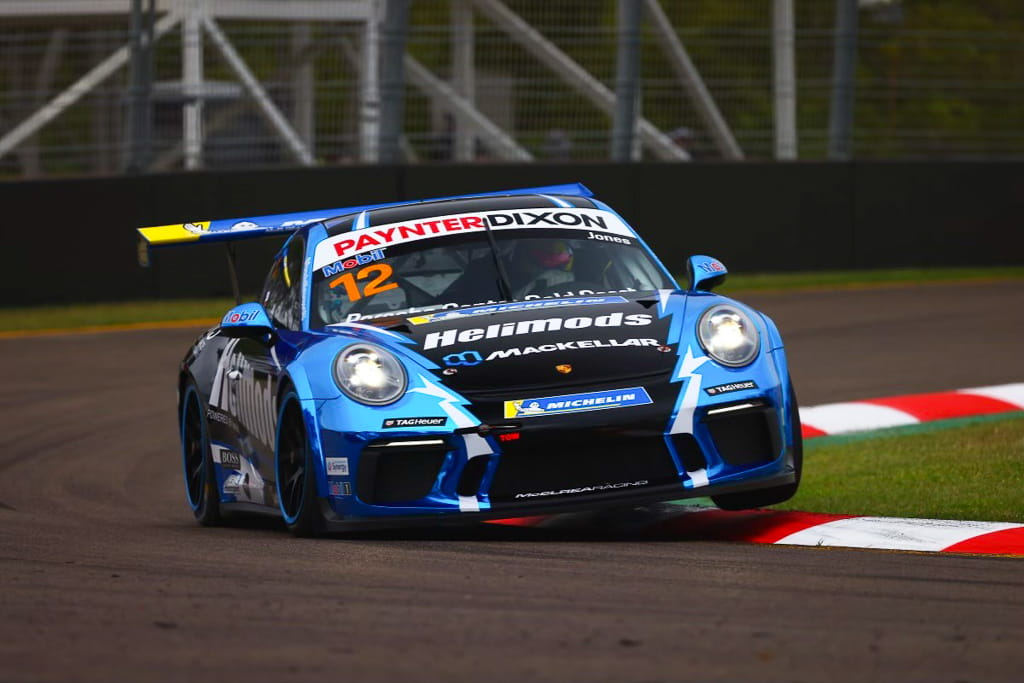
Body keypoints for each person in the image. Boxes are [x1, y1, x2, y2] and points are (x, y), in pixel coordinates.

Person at [506, 239, 576, 297]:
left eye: (519, 256)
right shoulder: (567, 278)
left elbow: (514, 301)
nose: (517, 260)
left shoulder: (547, 279)